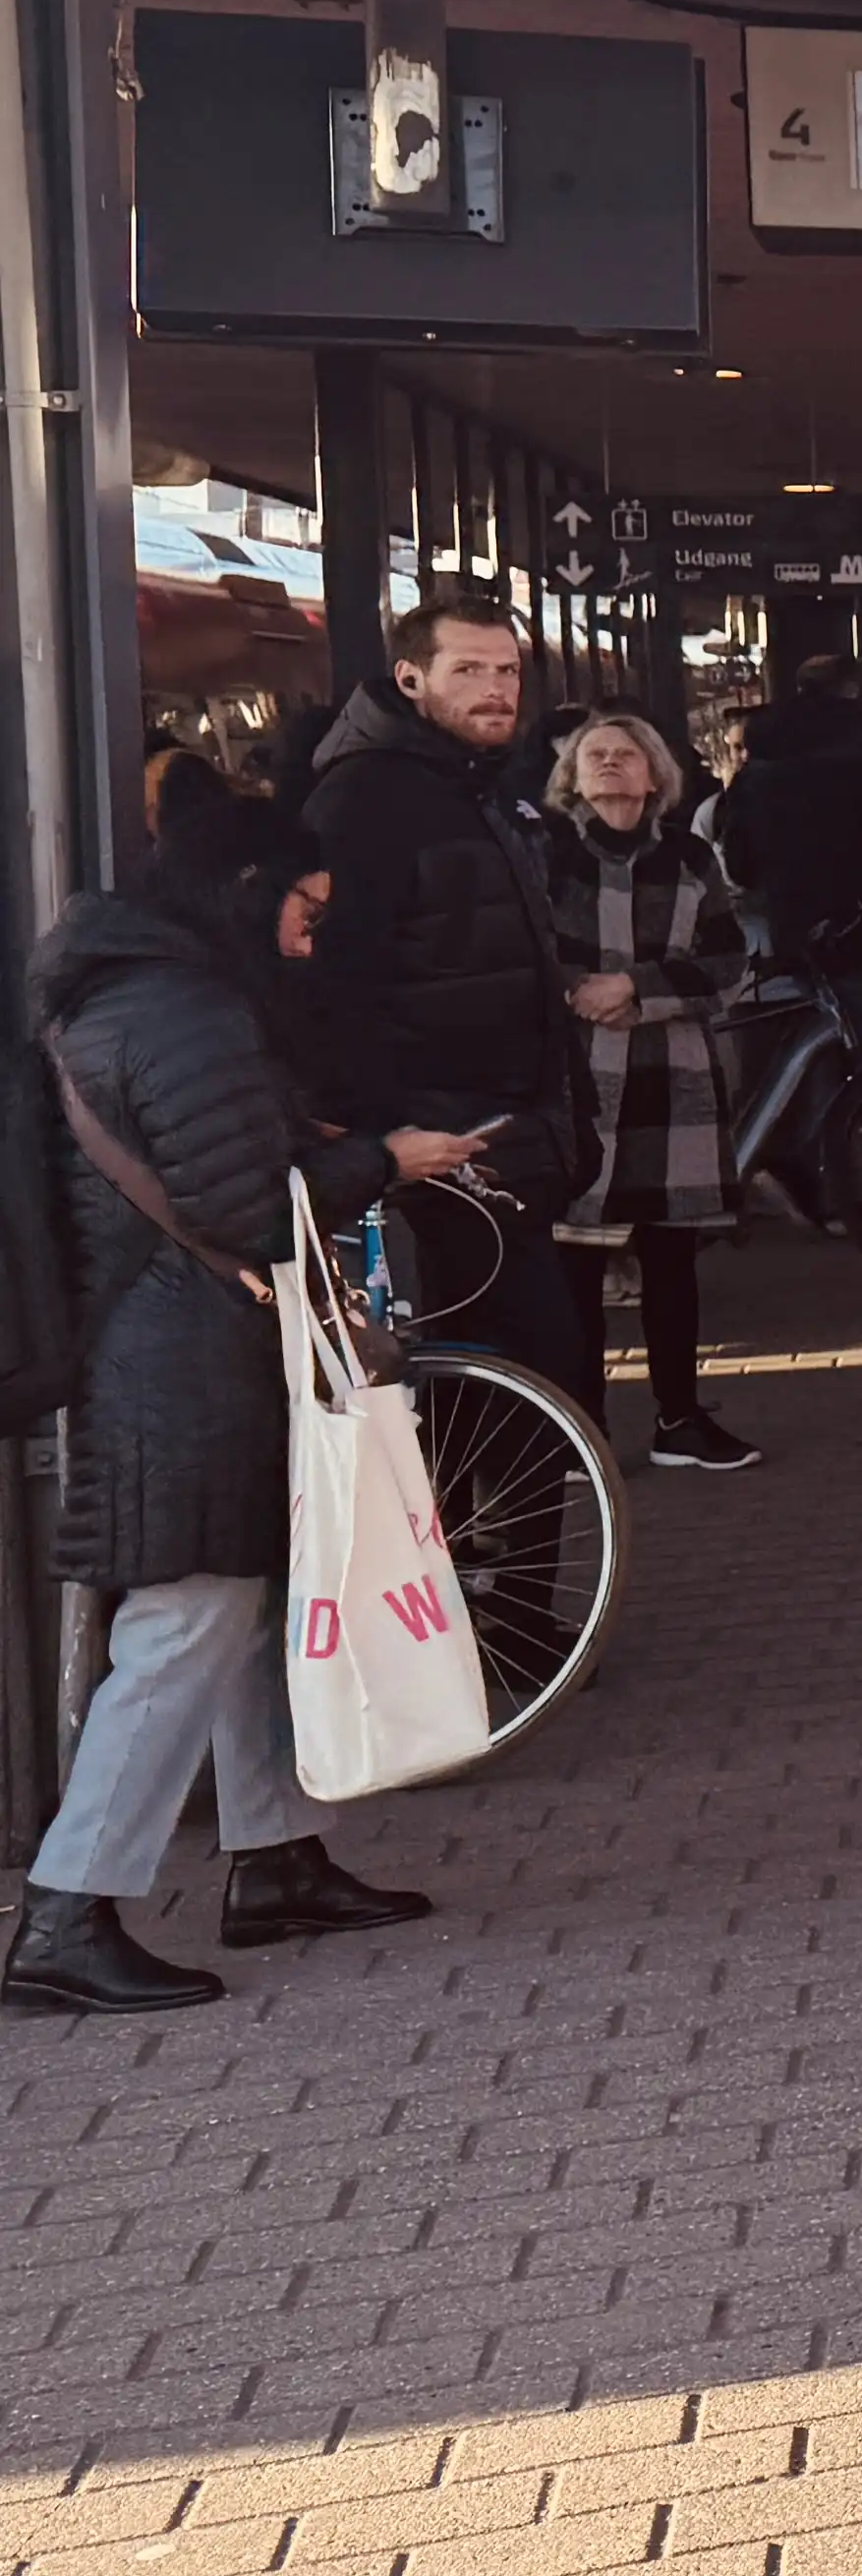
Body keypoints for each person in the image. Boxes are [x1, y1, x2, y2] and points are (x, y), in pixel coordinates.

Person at [13, 797, 493, 2012]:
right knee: (186, 1621)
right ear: (245, 889)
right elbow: (239, 1206)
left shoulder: (126, 992)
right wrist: (389, 1161)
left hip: (166, 1344)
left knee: (248, 1603)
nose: (306, 937)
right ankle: (66, 1916)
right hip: (185, 1358)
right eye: (302, 908)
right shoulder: (187, 1008)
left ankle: (276, 1860)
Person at [300, 595, 600, 1408]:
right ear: (410, 678)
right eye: (468, 669)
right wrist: (387, 1134)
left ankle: (500, 1534)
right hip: (438, 1143)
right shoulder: (366, 798)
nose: (496, 689)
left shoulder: (478, 785)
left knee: (526, 1373)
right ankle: (477, 1535)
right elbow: (336, 981)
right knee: (509, 1375)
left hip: (500, 1131)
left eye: (506, 670)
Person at [538, 713, 758, 1475]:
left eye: (624, 755)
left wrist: (637, 987)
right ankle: (581, 1428)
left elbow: (730, 960)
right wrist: (584, 994)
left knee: (672, 1259)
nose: (607, 767)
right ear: (571, 775)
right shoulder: (546, 855)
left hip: (673, 1077)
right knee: (574, 1268)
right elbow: (524, 953)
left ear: (655, 775)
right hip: (579, 1075)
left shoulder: (693, 859)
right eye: (593, 756)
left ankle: (680, 1418)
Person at [720, 658, 862, 1066]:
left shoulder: (761, 764)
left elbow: (739, 862)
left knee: (806, 1054)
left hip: (790, 932)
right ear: (853, 689)